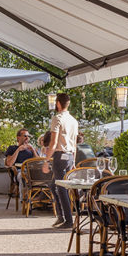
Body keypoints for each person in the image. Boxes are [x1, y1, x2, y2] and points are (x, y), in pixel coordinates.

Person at [47, 92, 78, 229]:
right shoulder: (73, 120)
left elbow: (53, 142)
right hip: (70, 156)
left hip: (59, 156)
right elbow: (75, 144)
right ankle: (61, 216)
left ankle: (68, 220)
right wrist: (74, 162)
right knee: (54, 185)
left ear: (58, 104)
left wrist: (45, 160)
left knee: (61, 188)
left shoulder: (57, 118)